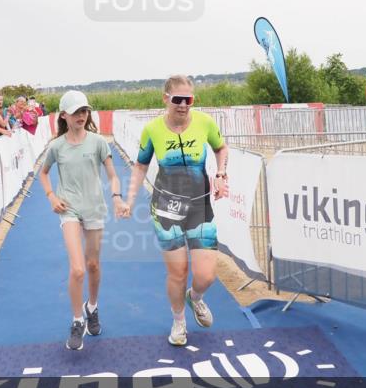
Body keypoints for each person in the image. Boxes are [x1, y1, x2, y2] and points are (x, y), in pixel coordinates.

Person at [124, 75, 229, 346]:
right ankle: (179, 321)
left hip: (200, 205)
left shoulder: (205, 122)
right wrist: (130, 198)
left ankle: (195, 298)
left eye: (188, 100)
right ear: (166, 99)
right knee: (178, 272)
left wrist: (221, 173)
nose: (183, 105)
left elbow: (221, 148)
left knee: (206, 275)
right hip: (166, 208)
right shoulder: (152, 130)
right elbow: (140, 165)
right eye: (177, 99)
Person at [38, 91, 126, 350]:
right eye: (76, 112)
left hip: (94, 208)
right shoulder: (56, 146)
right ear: (63, 115)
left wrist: (117, 198)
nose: (81, 116)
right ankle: (77, 320)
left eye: (84, 111)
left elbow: (113, 175)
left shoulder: (98, 142)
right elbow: (43, 174)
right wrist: (51, 196)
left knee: (93, 265)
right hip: (69, 210)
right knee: (77, 269)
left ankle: (92, 307)